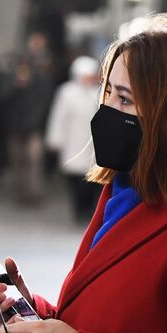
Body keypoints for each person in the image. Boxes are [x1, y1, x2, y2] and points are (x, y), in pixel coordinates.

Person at [0, 14, 167, 333]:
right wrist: (34, 313)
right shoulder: (124, 191)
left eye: (125, 99)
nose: (107, 110)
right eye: (109, 94)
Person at [45, 55, 102, 223]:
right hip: (73, 144)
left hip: (93, 146)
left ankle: (89, 210)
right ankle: (79, 211)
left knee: (92, 181)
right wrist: (55, 140)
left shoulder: (98, 93)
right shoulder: (67, 93)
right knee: (75, 181)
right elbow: (58, 117)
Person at [6, 32, 55, 204]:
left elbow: (45, 98)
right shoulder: (14, 75)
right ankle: (22, 191)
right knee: (18, 160)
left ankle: (34, 192)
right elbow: (3, 96)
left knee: (33, 161)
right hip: (17, 125)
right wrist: (15, 84)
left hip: (34, 126)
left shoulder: (43, 72)